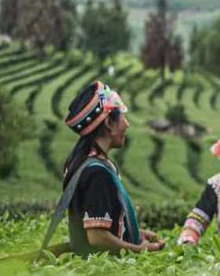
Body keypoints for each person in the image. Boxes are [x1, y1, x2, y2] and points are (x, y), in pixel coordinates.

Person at [60, 81, 164, 256]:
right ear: (108, 122)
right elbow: (97, 237)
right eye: (123, 116)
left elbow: (101, 229)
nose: (127, 124)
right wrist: (139, 250)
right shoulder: (97, 173)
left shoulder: (85, 162)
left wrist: (135, 234)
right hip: (100, 273)